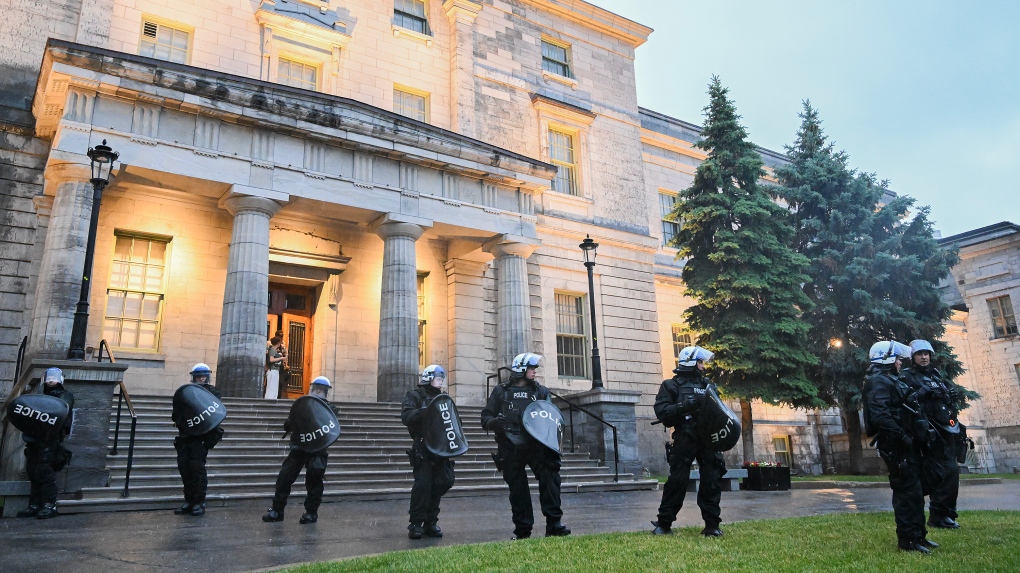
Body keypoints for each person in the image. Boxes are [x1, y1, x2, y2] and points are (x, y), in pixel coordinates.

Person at [480, 353, 570, 540]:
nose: (534, 371)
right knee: (518, 490)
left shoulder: (541, 391)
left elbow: (552, 417)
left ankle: (554, 524)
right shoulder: (501, 392)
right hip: (510, 446)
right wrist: (495, 422)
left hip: (538, 445)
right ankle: (522, 531)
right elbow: (485, 417)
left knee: (551, 478)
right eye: (531, 368)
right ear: (521, 369)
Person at [863, 340, 939, 554]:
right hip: (895, 444)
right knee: (906, 491)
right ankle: (908, 541)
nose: (899, 362)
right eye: (897, 359)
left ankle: (919, 536)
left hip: (906, 441)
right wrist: (900, 435)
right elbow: (880, 415)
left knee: (915, 490)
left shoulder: (889, 379)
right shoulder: (878, 381)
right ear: (886, 359)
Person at [650, 346, 726, 537]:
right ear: (691, 363)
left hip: (708, 439)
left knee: (711, 481)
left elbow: (721, 411)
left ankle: (712, 526)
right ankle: (664, 524)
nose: (703, 366)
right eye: (700, 362)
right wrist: (685, 406)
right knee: (677, 481)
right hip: (685, 438)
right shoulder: (671, 385)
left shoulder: (709, 385)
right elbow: (662, 412)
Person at [900, 339, 963, 530]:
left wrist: (950, 398)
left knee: (951, 471)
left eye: (926, 354)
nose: (924, 357)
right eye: (920, 354)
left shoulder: (936, 376)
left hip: (944, 429)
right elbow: (904, 402)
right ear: (913, 357)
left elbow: (947, 405)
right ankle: (938, 514)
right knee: (938, 473)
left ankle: (945, 514)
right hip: (925, 432)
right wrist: (921, 392)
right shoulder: (906, 376)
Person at [263, 376, 336, 524]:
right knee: (284, 478)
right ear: (312, 388)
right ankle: (277, 510)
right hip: (299, 448)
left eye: (321, 390)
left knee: (314, 483)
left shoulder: (330, 409)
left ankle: (311, 513)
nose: (318, 392)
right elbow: (289, 424)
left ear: (326, 391)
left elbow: (331, 429)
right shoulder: (302, 405)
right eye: (317, 389)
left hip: (317, 450)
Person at [401, 365, 456, 539]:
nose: (440, 382)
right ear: (429, 378)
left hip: (441, 448)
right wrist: (425, 411)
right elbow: (407, 417)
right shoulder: (414, 396)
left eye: (442, 379)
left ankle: (431, 522)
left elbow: (453, 421)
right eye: (438, 378)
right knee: (423, 486)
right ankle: (416, 523)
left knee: (441, 482)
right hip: (423, 447)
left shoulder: (444, 398)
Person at [17, 367, 74, 519]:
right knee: (33, 471)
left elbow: (61, 411)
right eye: (49, 377)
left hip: (50, 439)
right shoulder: (41, 397)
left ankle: (49, 504)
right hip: (35, 439)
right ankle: (35, 504)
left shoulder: (65, 396)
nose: (51, 380)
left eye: (54, 377)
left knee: (44, 472)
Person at [171, 363, 224, 517]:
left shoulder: (213, 393)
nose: (202, 378)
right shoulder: (187, 393)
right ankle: (189, 500)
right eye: (199, 375)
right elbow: (177, 413)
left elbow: (215, 413)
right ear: (193, 377)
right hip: (186, 436)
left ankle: (199, 502)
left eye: (204, 375)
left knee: (197, 469)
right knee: (184, 468)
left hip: (200, 437)